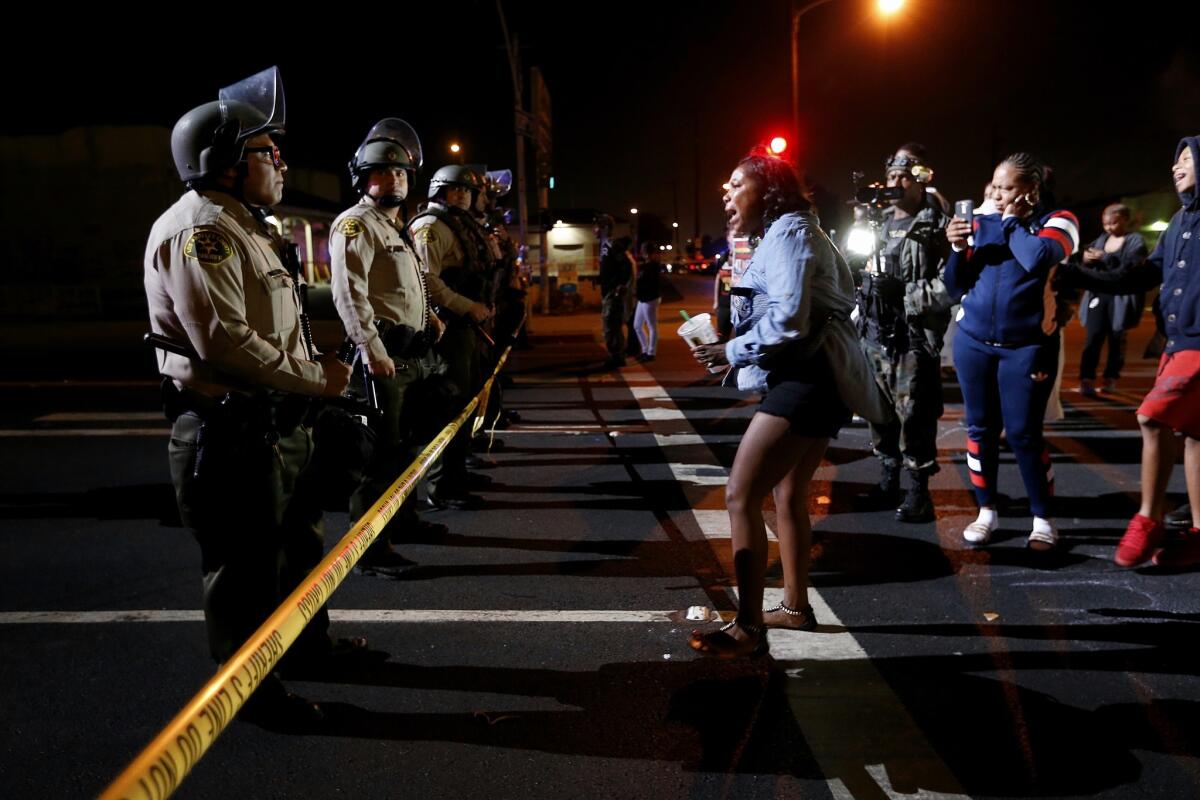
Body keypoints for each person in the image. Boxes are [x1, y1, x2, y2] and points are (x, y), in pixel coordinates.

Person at [145, 75, 354, 724]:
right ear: (226, 162)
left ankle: (305, 650)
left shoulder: (245, 226)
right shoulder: (200, 231)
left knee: (295, 550)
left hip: (273, 427)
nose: (282, 162)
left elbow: (277, 321)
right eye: (267, 151)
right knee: (245, 575)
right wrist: (319, 378)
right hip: (230, 432)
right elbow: (227, 342)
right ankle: (253, 699)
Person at [688, 152, 853, 658]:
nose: (726, 192)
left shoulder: (789, 232)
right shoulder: (786, 232)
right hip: (816, 376)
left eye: (737, 184)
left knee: (739, 495)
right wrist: (734, 354)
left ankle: (747, 625)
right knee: (787, 496)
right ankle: (796, 608)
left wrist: (730, 350)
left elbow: (788, 319)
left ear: (770, 191)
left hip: (809, 379)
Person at [944, 153, 1080, 551]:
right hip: (973, 343)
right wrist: (956, 247)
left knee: (1023, 433)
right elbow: (955, 286)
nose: (997, 195)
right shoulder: (980, 222)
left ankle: (1042, 518)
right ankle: (987, 510)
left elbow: (1036, 259)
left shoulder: (1059, 220)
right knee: (979, 429)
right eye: (995, 187)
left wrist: (1011, 222)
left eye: (1007, 188)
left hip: (1028, 346)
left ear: (1031, 190)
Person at [330, 118, 445, 577]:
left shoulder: (395, 228)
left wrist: (430, 317)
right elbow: (348, 292)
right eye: (381, 172)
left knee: (407, 450)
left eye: (399, 172)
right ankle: (369, 548)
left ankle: (406, 520)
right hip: (383, 359)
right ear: (363, 178)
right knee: (379, 458)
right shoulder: (357, 225)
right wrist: (369, 347)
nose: (392, 178)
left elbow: (408, 289)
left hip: (412, 354)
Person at [1080, 137, 1200, 567]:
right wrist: (1083, 275)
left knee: (1151, 416)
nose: (1176, 166)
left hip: (1199, 346)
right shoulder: (1180, 221)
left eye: (1187, 159)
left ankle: (1149, 518)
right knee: (1193, 435)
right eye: (1174, 160)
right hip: (1177, 342)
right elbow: (1144, 273)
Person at [855, 146, 952, 522]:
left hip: (912, 336)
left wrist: (908, 295)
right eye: (892, 175)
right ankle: (887, 481)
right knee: (879, 413)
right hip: (875, 331)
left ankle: (919, 493)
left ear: (922, 178)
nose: (896, 183)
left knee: (915, 414)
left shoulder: (936, 224)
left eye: (905, 176)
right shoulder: (875, 223)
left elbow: (952, 284)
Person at [409, 165, 493, 509]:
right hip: (449, 327)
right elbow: (427, 279)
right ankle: (442, 485)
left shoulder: (461, 225)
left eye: (466, 190)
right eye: (453, 189)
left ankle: (457, 475)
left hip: (467, 325)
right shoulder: (431, 226)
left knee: (466, 404)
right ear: (438, 192)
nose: (461, 195)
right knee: (448, 406)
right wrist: (465, 306)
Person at [1076, 204, 1148, 396]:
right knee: (1093, 338)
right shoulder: (1101, 239)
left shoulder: (1135, 241)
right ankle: (1086, 378)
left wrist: (1106, 258)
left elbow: (1132, 264)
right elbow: (1084, 258)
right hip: (1098, 295)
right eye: (1105, 223)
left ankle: (1110, 377)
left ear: (1124, 219)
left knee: (1117, 339)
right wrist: (1086, 258)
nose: (1108, 227)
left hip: (1120, 297)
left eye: (1113, 222)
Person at [599, 236, 634, 368]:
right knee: (612, 326)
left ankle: (617, 356)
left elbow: (626, 267)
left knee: (611, 325)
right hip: (611, 293)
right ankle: (617, 355)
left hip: (613, 295)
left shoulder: (614, 247)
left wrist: (620, 286)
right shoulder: (607, 247)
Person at [633, 248, 663, 361]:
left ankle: (651, 353)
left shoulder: (654, 266)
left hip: (650, 298)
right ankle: (645, 350)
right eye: (645, 252)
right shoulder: (645, 265)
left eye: (647, 252)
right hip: (642, 298)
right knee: (637, 325)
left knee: (652, 326)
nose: (645, 254)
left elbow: (651, 283)